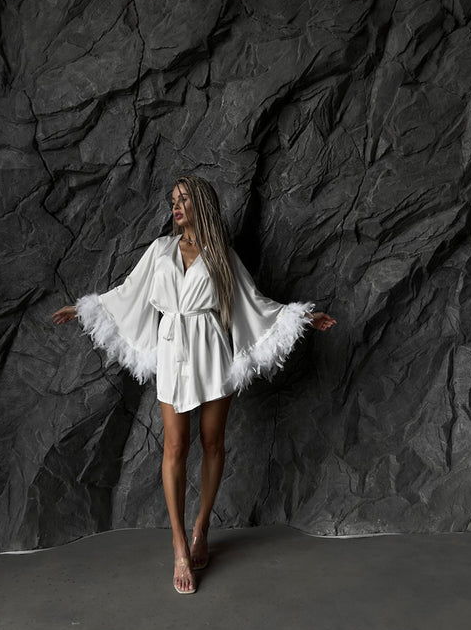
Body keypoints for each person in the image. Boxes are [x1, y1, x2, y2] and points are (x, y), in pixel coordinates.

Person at [52, 175, 336, 594]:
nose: (176, 205)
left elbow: (254, 302)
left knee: (212, 442)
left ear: (201, 203)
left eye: (183, 198)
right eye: (173, 199)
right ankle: (179, 544)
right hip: (173, 349)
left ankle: (202, 526)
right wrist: (83, 310)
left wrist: (302, 317)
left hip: (212, 348)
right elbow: (128, 292)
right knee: (175, 446)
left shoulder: (221, 256)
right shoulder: (160, 250)